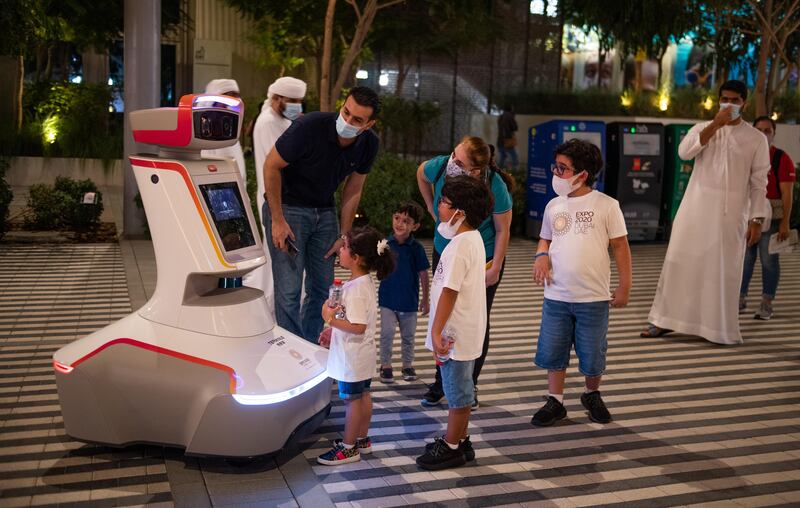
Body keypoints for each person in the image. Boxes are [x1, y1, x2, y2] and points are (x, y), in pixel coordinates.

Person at [642, 80, 770, 345]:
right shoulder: (702, 129)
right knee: (679, 264)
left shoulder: (756, 139)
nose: (729, 104)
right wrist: (715, 125)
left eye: (735, 100)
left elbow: (759, 183)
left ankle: (717, 329)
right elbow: (684, 153)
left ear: (744, 103)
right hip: (694, 211)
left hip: (731, 216)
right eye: (724, 99)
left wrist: (756, 219)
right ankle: (664, 321)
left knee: (722, 271)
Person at [263, 86, 380, 342]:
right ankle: (291, 352)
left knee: (322, 289)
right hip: (288, 208)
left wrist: (343, 235)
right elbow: (271, 165)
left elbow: (353, 189)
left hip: (325, 211)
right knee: (289, 290)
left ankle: (309, 344)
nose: (347, 121)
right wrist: (277, 219)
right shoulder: (309, 126)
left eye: (357, 120)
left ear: (369, 124)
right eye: (346, 112)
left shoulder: (369, 143)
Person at [530, 139, 631, 427]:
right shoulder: (553, 205)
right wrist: (541, 255)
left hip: (593, 298)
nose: (556, 173)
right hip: (557, 295)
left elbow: (621, 247)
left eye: (562, 168)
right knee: (554, 350)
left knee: (592, 351)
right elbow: (546, 237)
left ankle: (592, 393)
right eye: (556, 166)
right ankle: (555, 400)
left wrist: (625, 286)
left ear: (582, 174)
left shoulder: (607, 206)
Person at [416, 136, 513, 410]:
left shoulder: (494, 184)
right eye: (453, 155)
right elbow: (421, 174)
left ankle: (470, 383)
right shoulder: (441, 166)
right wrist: (429, 207)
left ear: (475, 171)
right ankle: (442, 381)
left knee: (474, 318)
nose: (452, 163)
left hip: (480, 257)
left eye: (459, 162)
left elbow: (504, 228)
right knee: (443, 314)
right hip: (445, 249)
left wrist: (495, 266)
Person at [416, 175, 492, 471]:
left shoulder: (460, 244)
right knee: (459, 388)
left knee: (458, 394)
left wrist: (436, 331)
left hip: (454, 334)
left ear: (460, 212)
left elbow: (450, 290)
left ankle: (451, 447)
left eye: (444, 202)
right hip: (462, 330)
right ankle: (461, 439)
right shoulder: (471, 239)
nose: (439, 207)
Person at [316, 227, 395, 465]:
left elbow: (358, 325)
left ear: (357, 258)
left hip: (353, 356)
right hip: (362, 353)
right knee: (363, 395)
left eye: (345, 247)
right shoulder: (361, 282)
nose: (340, 249)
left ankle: (349, 448)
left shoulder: (356, 289)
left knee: (352, 400)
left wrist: (330, 319)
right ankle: (361, 439)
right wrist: (334, 330)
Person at [244, 77, 307, 314]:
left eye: (300, 102)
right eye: (292, 101)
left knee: (276, 265)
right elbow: (281, 163)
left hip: (282, 201)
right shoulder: (269, 122)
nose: (296, 106)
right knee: (279, 265)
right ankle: (272, 314)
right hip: (277, 203)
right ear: (276, 99)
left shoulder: (280, 120)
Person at [740, 116, 796, 320]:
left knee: (769, 261)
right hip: (745, 216)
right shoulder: (745, 155)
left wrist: (785, 222)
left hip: (772, 220)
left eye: (768, 131)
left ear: (774, 133)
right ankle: (740, 298)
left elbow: (788, 193)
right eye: (759, 130)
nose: (763, 134)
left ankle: (766, 303)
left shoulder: (781, 158)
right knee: (744, 260)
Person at [378, 201, 430, 384]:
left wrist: (425, 298)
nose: (399, 223)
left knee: (408, 336)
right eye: (397, 218)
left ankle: (407, 364)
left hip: (409, 301)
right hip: (388, 299)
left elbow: (423, 273)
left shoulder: (416, 249)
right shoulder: (385, 245)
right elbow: (378, 267)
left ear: (415, 226)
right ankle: (385, 365)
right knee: (387, 333)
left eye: (406, 221)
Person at [201, 79, 246, 183]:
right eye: (230, 96)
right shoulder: (205, 134)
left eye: (237, 95)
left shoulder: (231, 132)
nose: (235, 100)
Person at [497, 105, 519, 170]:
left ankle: (498, 171)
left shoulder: (500, 117)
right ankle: (516, 171)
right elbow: (515, 127)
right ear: (510, 109)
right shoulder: (510, 116)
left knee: (502, 156)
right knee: (514, 156)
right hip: (508, 140)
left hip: (500, 140)